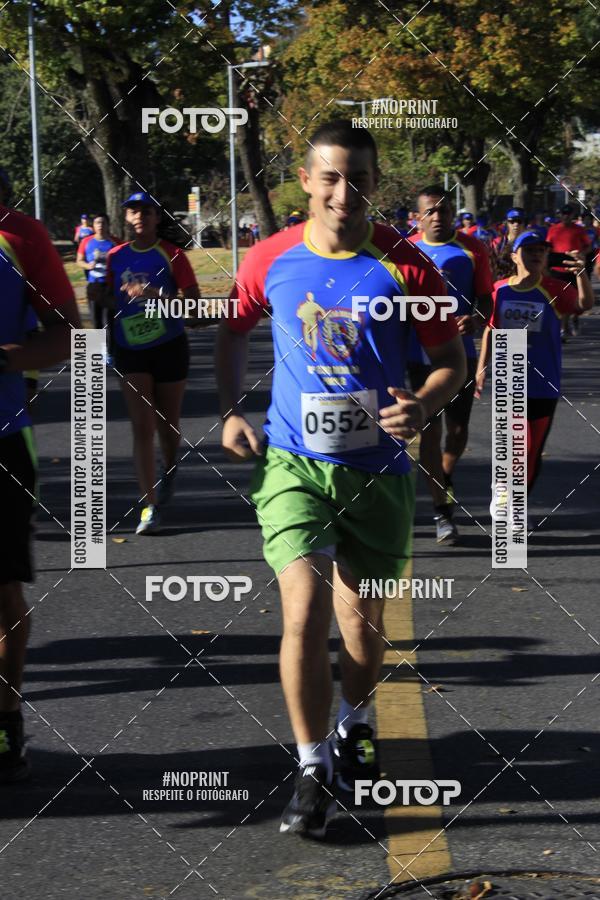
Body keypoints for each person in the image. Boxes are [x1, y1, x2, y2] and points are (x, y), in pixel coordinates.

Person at [216, 120, 466, 839]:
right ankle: (310, 764)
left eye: (357, 178)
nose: (343, 192)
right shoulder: (271, 257)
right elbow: (232, 330)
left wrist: (423, 401)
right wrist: (233, 410)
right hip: (295, 464)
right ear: (307, 180)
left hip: (378, 470)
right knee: (303, 611)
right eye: (330, 177)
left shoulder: (407, 265)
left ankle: (356, 719)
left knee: (364, 626)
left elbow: (451, 357)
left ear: (374, 183)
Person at [0, 203, 80, 781]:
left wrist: (6, 359)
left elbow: (65, 336)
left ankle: (5, 722)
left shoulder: (19, 234)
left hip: (1, 438)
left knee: (0, 596)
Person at [476, 231, 593, 514]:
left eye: (541, 249)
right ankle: (507, 498)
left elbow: (584, 306)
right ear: (515, 256)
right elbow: (491, 329)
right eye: (528, 249)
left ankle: (517, 503)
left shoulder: (553, 287)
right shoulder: (499, 290)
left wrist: (581, 274)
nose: (536, 254)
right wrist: (481, 368)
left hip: (544, 381)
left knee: (531, 451)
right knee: (517, 445)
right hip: (510, 377)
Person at [106, 192, 200, 534]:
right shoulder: (115, 256)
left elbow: (193, 306)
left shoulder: (172, 254)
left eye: (146, 210)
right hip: (130, 348)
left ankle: (170, 466)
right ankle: (149, 505)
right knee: (141, 426)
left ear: (157, 217)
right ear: (127, 218)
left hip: (169, 346)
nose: (139, 216)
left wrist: (157, 297)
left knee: (167, 424)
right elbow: (105, 300)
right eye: (133, 211)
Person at [408, 186, 493, 544]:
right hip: (419, 357)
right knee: (430, 431)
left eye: (444, 211)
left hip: (460, 354)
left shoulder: (472, 249)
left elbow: (487, 299)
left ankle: (442, 473)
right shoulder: (405, 250)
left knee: (457, 433)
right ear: (418, 217)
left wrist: (474, 317)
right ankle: (443, 511)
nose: (438, 217)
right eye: (430, 212)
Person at [547, 203, 590, 340]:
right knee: (557, 300)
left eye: (568, 214)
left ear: (572, 216)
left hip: (572, 269)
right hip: (556, 270)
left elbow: (588, 247)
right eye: (563, 214)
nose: (566, 216)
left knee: (569, 300)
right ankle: (561, 328)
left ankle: (565, 326)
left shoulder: (579, 230)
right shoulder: (553, 229)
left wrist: (581, 254)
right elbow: (548, 247)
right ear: (560, 215)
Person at [77, 214, 116, 364]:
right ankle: (97, 352)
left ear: (107, 225)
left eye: (103, 222)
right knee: (96, 319)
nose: (100, 225)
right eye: (97, 222)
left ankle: (110, 353)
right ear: (93, 226)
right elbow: (79, 261)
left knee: (109, 320)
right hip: (93, 286)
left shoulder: (113, 242)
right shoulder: (86, 242)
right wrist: (89, 265)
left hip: (109, 286)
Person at [492, 207, 526, 279]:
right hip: (502, 281)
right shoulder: (497, 243)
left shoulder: (529, 243)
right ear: (507, 223)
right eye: (512, 221)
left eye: (519, 221)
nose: (516, 224)